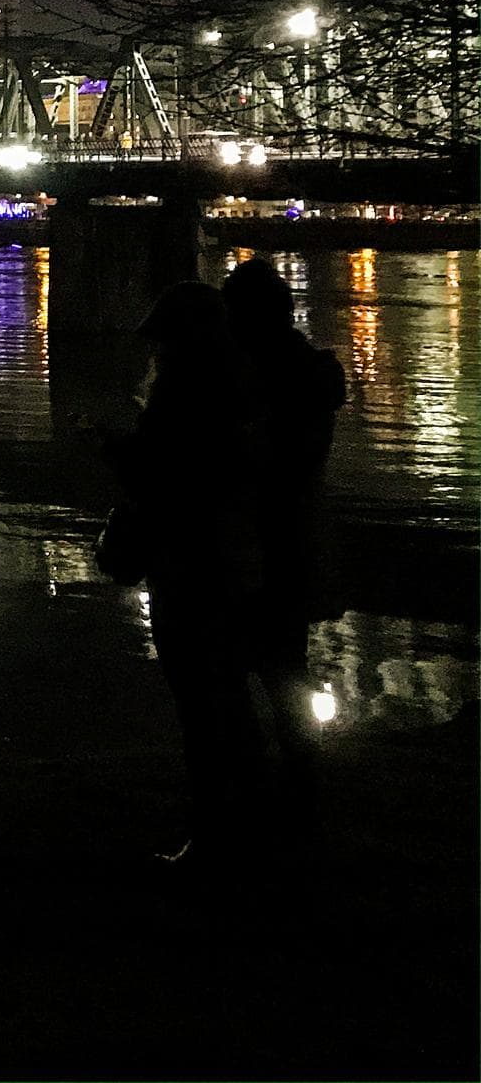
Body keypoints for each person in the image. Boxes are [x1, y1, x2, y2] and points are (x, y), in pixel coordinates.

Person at [101, 280, 265, 866]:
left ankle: (214, 832)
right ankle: (251, 818)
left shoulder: (180, 394)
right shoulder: (241, 383)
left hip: (187, 558)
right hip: (230, 556)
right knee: (228, 691)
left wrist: (112, 450)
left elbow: (160, 473)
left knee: (198, 697)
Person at [223, 256, 347, 842]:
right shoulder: (311, 373)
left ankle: (261, 796)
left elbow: (252, 461)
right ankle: (301, 786)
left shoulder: (257, 378)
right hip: (296, 540)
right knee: (286, 668)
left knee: (238, 671)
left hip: (255, 542)